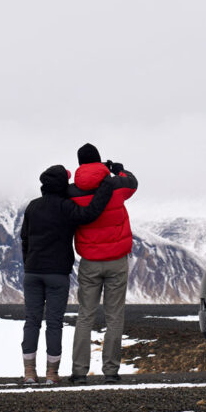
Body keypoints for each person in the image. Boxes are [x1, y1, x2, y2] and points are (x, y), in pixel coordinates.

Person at [19, 164, 113, 385]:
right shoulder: (66, 207)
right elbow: (90, 213)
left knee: (31, 321)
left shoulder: (33, 207)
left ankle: (29, 373)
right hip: (57, 274)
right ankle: (52, 374)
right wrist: (105, 188)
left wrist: (29, 263)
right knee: (54, 323)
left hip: (33, 272)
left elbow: (24, 238)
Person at [68, 143, 138, 385]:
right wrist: (118, 169)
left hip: (89, 263)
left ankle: (79, 372)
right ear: (99, 161)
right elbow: (132, 181)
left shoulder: (73, 192)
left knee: (85, 315)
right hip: (117, 261)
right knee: (114, 316)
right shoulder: (116, 186)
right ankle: (111, 371)